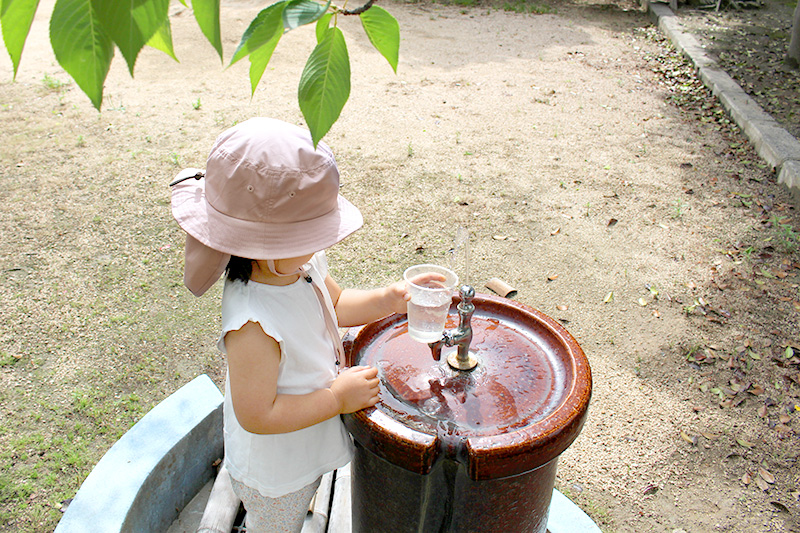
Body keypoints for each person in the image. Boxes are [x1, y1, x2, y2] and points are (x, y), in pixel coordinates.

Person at [169, 118, 426, 532]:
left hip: (303, 441)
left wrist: (387, 299)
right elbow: (258, 414)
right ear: (258, 244)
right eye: (308, 234)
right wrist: (336, 400)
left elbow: (336, 303)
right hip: (275, 472)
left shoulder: (298, 265)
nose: (321, 243)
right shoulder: (253, 323)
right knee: (276, 526)